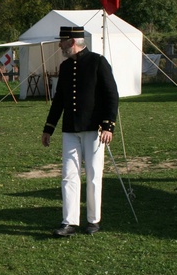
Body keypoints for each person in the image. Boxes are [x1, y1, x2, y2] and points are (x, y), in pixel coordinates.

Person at [41, 26, 119, 237]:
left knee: (94, 176)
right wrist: (49, 128)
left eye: (62, 41)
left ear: (72, 41)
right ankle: (69, 221)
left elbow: (111, 94)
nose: (59, 45)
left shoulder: (97, 62)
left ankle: (93, 220)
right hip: (70, 129)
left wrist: (109, 125)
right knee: (68, 175)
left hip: (95, 129)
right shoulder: (65, 67)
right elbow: (59, 100)